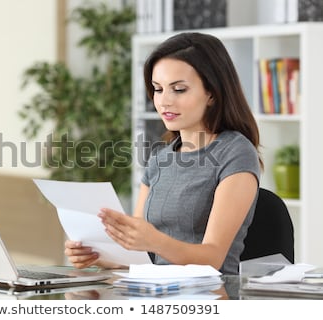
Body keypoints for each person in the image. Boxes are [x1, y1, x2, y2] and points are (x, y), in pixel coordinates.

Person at [64, 32, 262, 275]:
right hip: (155, 290)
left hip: (210, 295)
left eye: (178, 89)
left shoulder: (235, 152)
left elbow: (213, 257)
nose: (164, 101)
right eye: (158, 89)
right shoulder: (159, 158)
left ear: (211, 93)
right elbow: (140, 255)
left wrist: (155, 241)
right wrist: (99, 256)